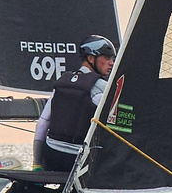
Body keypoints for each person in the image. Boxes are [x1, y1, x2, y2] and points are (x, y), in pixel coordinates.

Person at [31, 36, 116, 172]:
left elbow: (43, 122)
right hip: (77, 159)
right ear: (91, 58)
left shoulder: (62, 82)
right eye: (106, 58)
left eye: (112, 58)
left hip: (51, 156)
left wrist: (37, 163)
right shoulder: (102, 87)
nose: (111, 63)